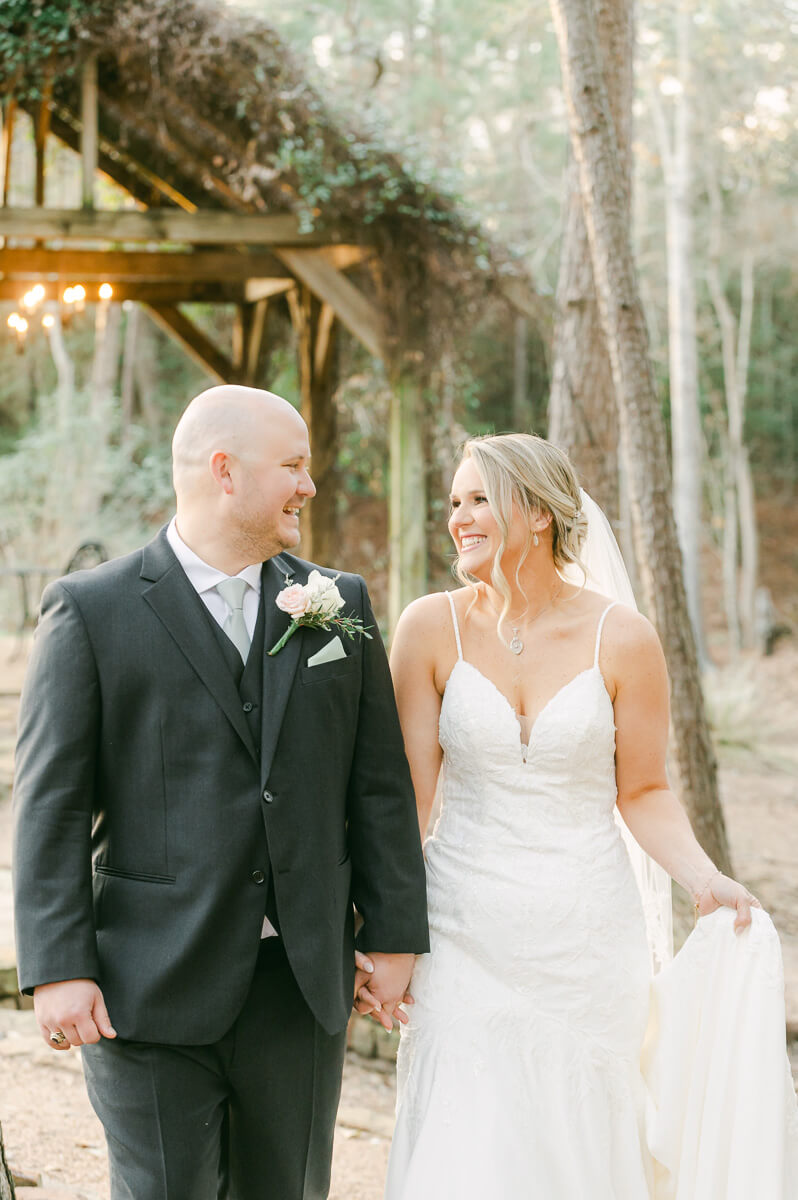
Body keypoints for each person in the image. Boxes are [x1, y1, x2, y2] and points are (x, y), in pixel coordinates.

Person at [12, 385, 429, 1200]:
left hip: (300, 983)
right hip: (147, 982)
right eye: (294, 466)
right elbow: (52, 804)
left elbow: (377, 785)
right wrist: (57, 965)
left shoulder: (338, 604)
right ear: (225, 471)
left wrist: (393, 935)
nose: (310, 485)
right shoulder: (91, 611)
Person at [380, 432, 798, 1198]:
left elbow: (641, 791)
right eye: (454, 503)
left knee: (576, 1137)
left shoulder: (623, 638)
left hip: (583, 937)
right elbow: (411, 798)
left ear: (536, 513)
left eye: (479, 500)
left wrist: (704, 878)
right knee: (464, 1138)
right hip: (461, 926)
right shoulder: (427, 628)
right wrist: (387, 932)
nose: (459, 518)